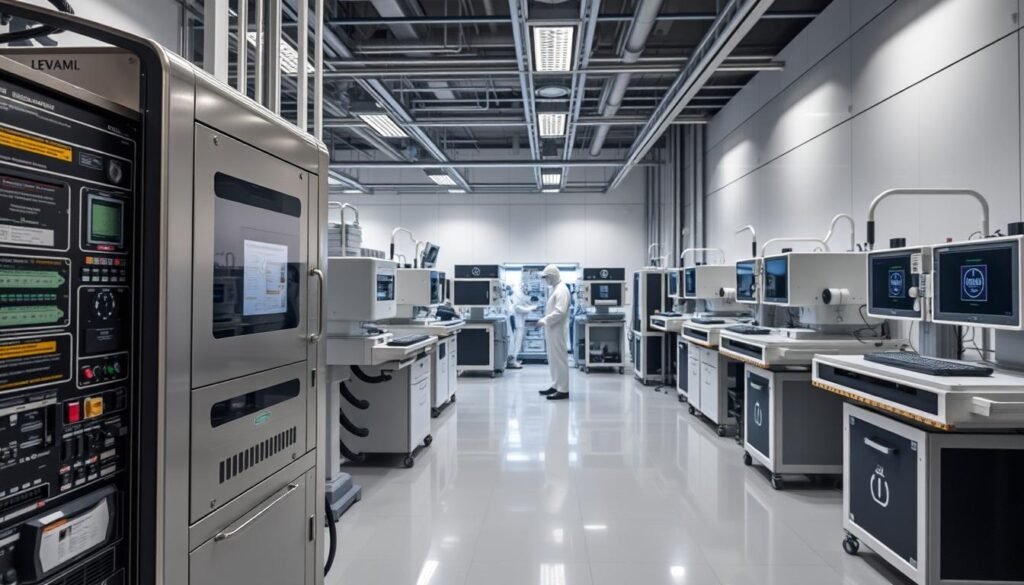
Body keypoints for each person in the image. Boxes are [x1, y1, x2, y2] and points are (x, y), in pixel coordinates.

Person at [537, 265, 571, 401]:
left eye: (546, 278)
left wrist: (545, 320)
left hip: (558, 330)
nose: (545, 280)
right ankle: (556, 385)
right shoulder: (556, 288)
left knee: (559, 359)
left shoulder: (562, 290)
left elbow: (560, 311)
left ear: (552, 277)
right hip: (553, 329)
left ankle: (563, 390)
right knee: (553, 359)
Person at [508, 282, 536, 369]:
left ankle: (514, 359)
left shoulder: (520, 295)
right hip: (517, 323)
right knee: (515, 343)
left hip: (519, 323)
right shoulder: (516, 295)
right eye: (524, 287)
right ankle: (512, 361)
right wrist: (530, 308)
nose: (525, 289)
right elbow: (517, 308)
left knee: (517, 342)